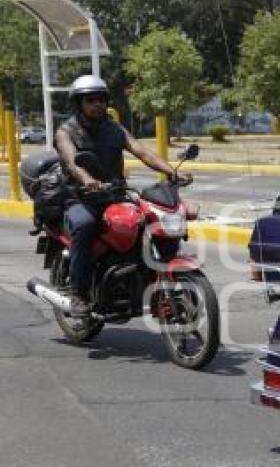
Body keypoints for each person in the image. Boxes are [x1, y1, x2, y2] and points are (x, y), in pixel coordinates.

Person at [55, 75, 189, 317]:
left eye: (101, 99)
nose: (97, 104)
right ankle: (78, 293)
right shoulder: (67, 131)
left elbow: (142, 152)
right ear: (79, 103)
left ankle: (151, 283)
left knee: (150, 221)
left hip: (114, 194)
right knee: (84, 225)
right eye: (90, 100)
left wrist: (172, 171)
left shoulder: (114, 129)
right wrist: (88, 181)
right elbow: (71, 161)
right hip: (81, 196)